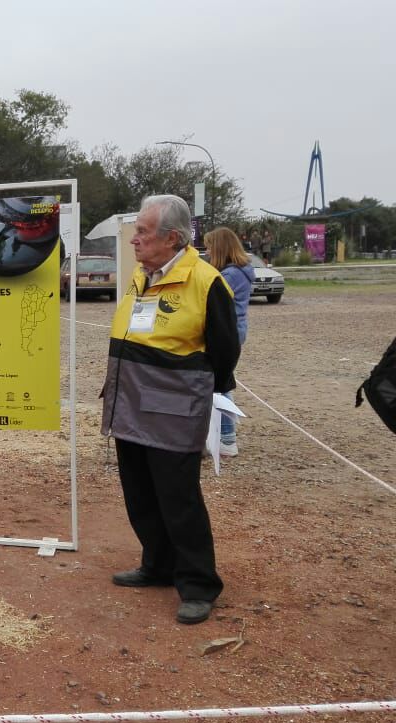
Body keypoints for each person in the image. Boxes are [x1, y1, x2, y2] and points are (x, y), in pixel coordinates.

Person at [100, 195, 240, 625]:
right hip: (130, 403)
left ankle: (198, 583)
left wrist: (190, 393)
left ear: (173, 238)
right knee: (139, 492)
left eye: (142, 232)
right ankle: (157, 565)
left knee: (178, 498)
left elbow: (225, 351)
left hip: (173, 408)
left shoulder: (206, 281)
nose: (134, 240)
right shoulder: (142, 276)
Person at [205, 227, 255, 456]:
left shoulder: (230, 275)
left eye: (209, 247)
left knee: (220, 384)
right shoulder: (241, 270)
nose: (206, 251)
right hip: (236, 329)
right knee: (220, 382)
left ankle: (227, 438)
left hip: (227, 331)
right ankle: (222, 436)